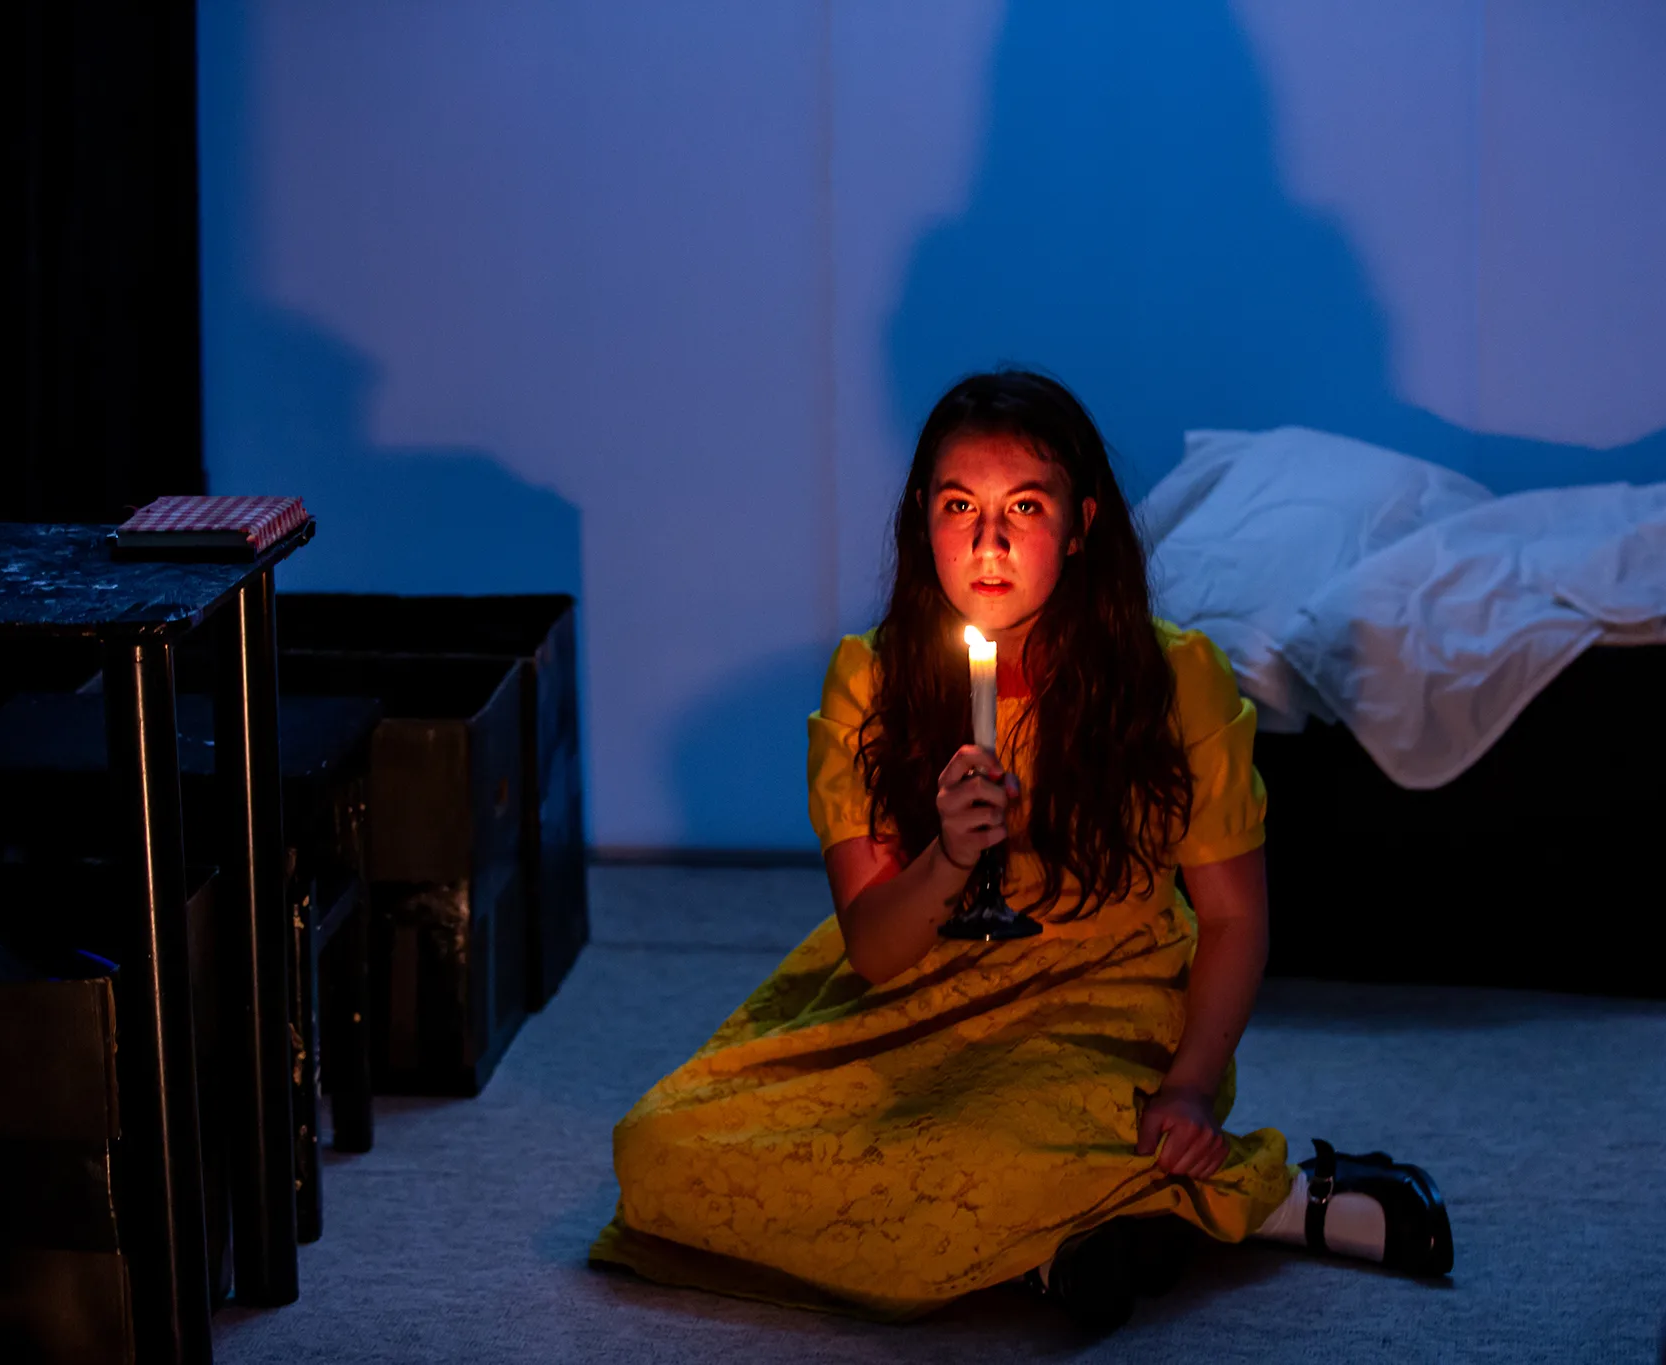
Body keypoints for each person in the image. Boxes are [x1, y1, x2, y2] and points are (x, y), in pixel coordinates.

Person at [591, 370, 1453, 1331]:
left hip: (1102, 1003)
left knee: (995, 1143)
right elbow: (875, 948)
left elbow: (1233, 915)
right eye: (960, 506)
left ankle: (1273, 1195)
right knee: (659, 1150)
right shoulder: (868, 681)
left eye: (1025, 508)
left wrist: (1189, 1087)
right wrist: (948, 858)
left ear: (1080, 525)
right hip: (912, 1009)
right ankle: (1093, 1231)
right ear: (923, 518)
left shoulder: (1173, 679)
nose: (988, 543)